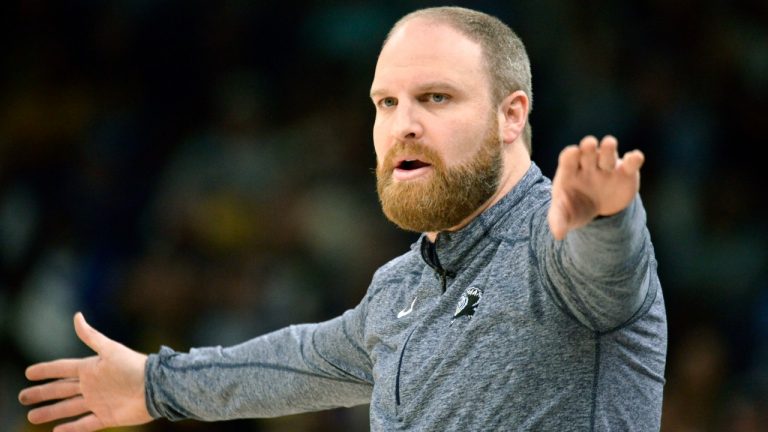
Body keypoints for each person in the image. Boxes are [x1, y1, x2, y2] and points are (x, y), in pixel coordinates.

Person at [18, 6, 667, 431]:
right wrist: (156, 383)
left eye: (435, 97)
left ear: (511, 116)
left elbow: (609, 276)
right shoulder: (398, 290)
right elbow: (294, 362)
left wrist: (605, 220)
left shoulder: (557, 249)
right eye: (386, 102)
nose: (402, 123)